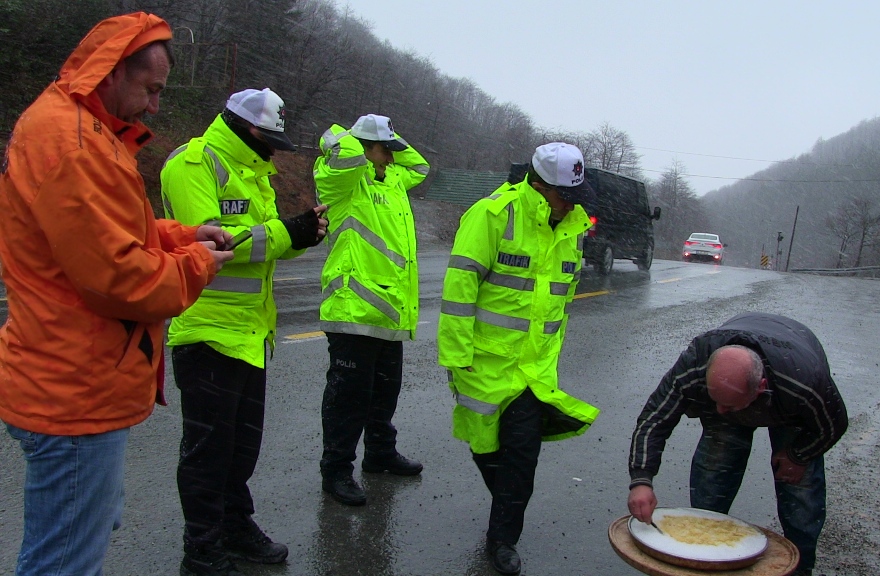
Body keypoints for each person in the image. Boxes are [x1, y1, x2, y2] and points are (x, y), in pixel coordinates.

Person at [0, 13, 232, 576]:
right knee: (65, 562)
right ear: (109, 73)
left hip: (68, 380)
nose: (155, 107)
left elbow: (98, 236)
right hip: (73, 393)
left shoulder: (76, 128)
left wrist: (180, 234)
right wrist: (199, 263)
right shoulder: (76, 145)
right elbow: (124, 280)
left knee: (76, 541)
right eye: (150, 89)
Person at [161, 88, 328, 576]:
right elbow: (211, 244)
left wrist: (301, 235)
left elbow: (267, 242)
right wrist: (286, 233)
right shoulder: (194, 164)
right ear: (246, 128)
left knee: (240, 449)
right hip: (207, 332)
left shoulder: (254, 172)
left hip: (251, 333)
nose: (275, 149)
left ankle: (235, 527)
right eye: (270, 138)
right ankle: (202, 549)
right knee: (208, 453)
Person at [437, 142, 601, 576]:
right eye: (568, 196)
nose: (573, 206)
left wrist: (549, 359)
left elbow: (559, 304)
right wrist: (456, 357)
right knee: (485, 447)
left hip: (533, 370)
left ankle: (503, 539)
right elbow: (458, 291)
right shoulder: (491, 215)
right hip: (483, 363)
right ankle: (506, 502)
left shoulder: (573, 229)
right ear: (543, 187)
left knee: (521, 458)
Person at [627, 312, 849, 575]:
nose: (720, 411)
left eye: (729, 404)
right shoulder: (696, 364)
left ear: (760, 387)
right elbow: (655, 418)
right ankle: (704, 558)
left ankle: (800, 567)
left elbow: (834, 424)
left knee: (799, 490)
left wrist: (799, 455)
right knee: (714, 473)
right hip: (734, 384)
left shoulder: (805, 383)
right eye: (716, 400)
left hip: (789, 401)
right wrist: (641, 479)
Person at [314, 114, 430, 507]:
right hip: (353, 310)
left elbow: (421, 165)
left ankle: (380, 453)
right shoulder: (344, 179)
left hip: (389, 311)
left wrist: (389, 136)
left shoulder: (394, 179)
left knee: (384, 392)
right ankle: (336, 470)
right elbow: (340, 154)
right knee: (348, 399)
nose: (393, 156)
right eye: (386, 150)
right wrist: (352, 136)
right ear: (365, 148)